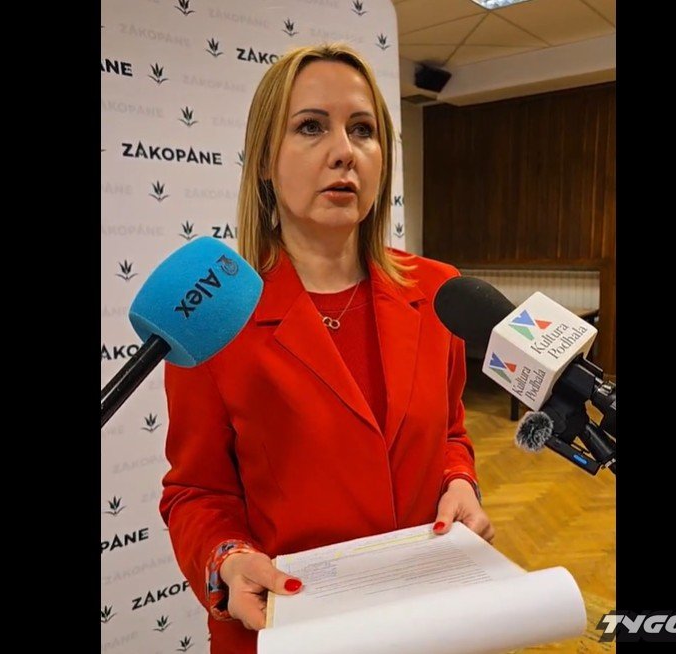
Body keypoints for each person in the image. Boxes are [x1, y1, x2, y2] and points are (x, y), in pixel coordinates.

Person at [159, 42, 494, 654]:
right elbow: (197, 492)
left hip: (427, 619)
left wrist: (459, 480)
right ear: (265, 160)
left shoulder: (438, 292)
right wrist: (226, 558)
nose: (344, 151)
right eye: (311, 127)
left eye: (363, 130)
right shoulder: (212, 318)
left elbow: (449, 433)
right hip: (290, 630)